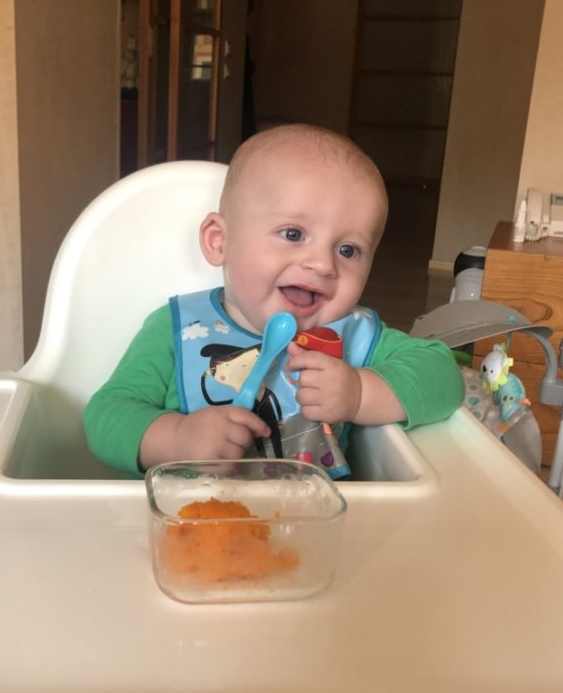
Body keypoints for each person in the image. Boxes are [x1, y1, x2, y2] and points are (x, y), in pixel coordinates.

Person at [84, 124, 463, 477]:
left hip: (313, 530)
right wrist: (175, 437)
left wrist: (361, 392)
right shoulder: (178, 328)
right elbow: (106, 414)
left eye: (348, 249)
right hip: (188, 526)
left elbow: (443, 377)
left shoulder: (353, 334)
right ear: (220, 241)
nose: (322, 263)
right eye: (293, 233)